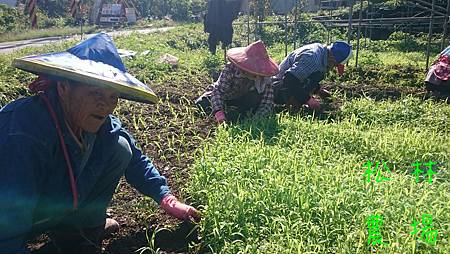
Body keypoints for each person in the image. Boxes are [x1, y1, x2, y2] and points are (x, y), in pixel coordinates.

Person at [0, 33, 200, 254]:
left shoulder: (98, 123)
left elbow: (136, 159)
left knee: (120, 148)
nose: (105, 105)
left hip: (44, 209)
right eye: (95, 93)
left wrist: (167, 199)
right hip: (8, 219)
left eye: (112, 96)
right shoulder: (24, 132)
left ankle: (77, 234)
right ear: (64, 89)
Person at [195, 40, 279, 123]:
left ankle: (241, 113)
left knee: (254, 100)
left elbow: (267, 102)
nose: (256, 75)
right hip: (227, 96)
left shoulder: (265, 77)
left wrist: (257, 118)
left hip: (245, 100)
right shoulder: (231, 68)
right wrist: (219, 112)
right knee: (201, 104)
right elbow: (218, 91)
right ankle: (225, 111)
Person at [272, 41, 352, 110]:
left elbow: (307, 75)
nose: (333, 67)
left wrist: (318, 90)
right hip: (277, 88)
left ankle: (297, 99)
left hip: (288, 80)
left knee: (318, 75)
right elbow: (289, 79)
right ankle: (292, 104)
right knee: (316, 76)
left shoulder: (322, 51)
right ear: (333, 58)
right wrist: (308, 100)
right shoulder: (313, 59)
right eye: (335, 65)